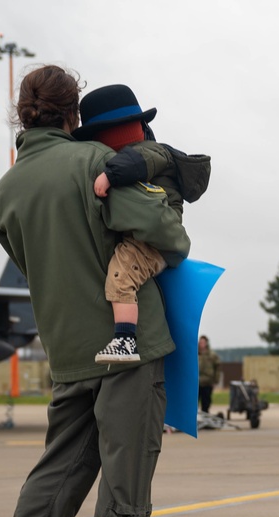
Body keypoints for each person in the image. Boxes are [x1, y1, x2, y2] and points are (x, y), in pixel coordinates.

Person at [0, 65, 190, 517]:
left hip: (68, 347)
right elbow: (168, 237)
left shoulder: (5, 190)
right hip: (128, 348)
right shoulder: (97, 164)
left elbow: (32, 264)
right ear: (73, 113)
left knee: (59, 468)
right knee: (126, 470)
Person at [69, 84, 211, 365]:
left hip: (149, 243)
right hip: (148, 239)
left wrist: (109, 175)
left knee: (120, 276)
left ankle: (125, 339)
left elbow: (134, 162)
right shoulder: (148, 153)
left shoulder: (149, 153)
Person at [197, 335, 221, 414]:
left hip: (207, 382)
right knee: (195, 400)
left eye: (203, 342)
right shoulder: (195, 354)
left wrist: (215, 381)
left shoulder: (212, 355)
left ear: (206, 343)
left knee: (206, 400)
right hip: (197, 382)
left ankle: (205, 414)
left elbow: (217, 368)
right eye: (200, 342)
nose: (201, 344)